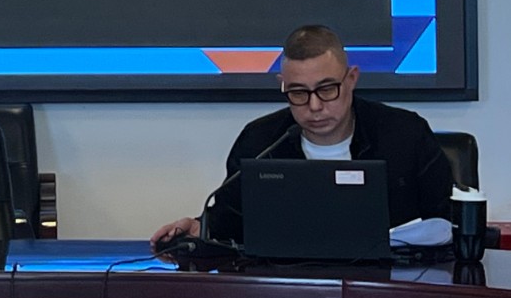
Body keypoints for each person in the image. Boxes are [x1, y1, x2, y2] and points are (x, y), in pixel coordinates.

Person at [150, 24, 453, 249]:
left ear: (351, 79)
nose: (315, 106)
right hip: (287, 291)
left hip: (389, 289)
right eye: (298, 93)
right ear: (283, 86)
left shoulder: (405, 134)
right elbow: (230, 223)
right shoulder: (260, 142)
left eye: (327, 89)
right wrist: (199, 229)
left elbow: (445, 223)